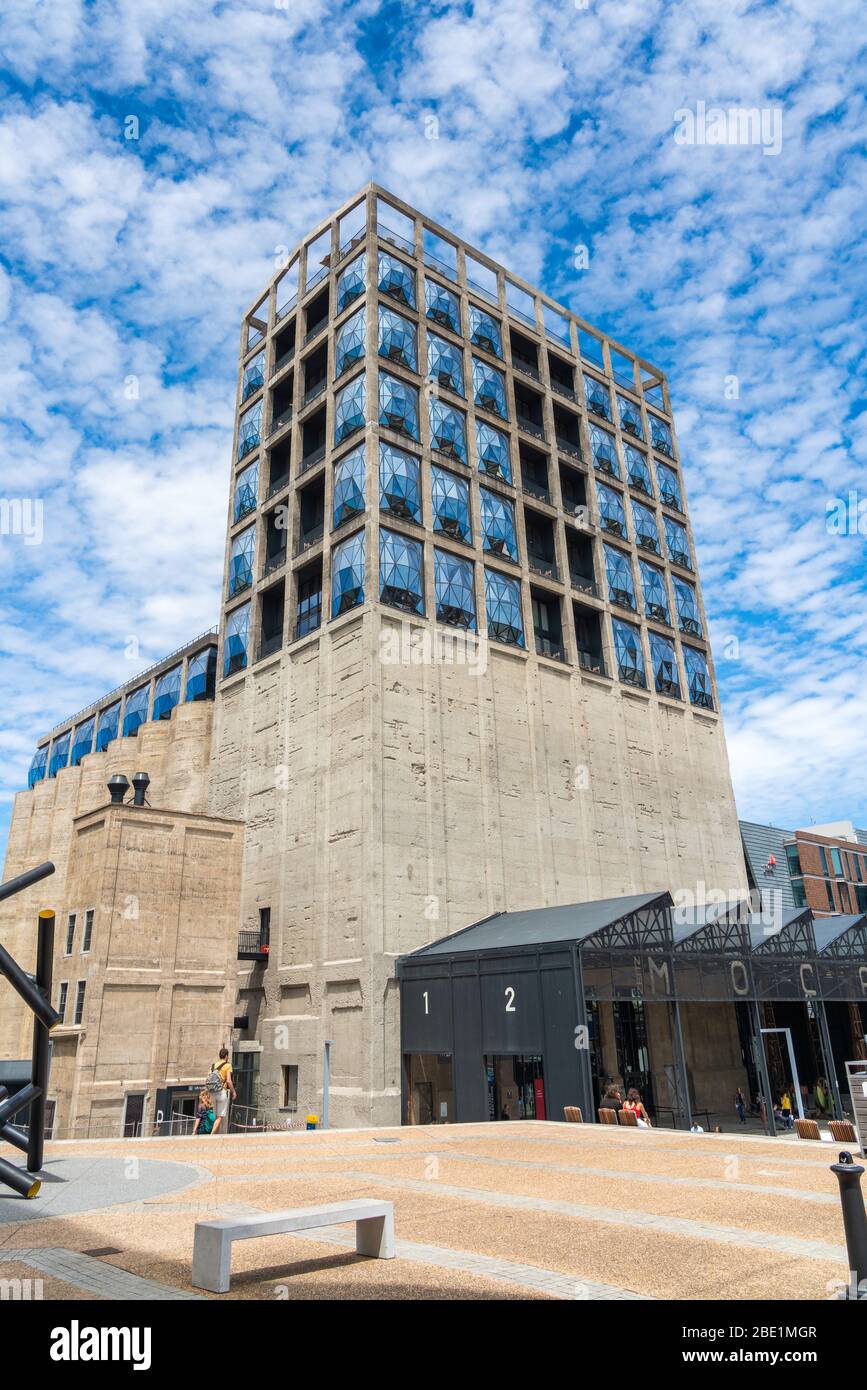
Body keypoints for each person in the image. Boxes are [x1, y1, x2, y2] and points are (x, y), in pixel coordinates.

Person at [210, 1046, 237, 1134]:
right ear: (226, 1056)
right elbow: (229, 1081)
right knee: (219, 1116)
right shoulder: (228, 1065)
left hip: (212, 1092)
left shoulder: (213, 1065)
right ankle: (211, 1135)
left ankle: (213, 1134)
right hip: (221, 1092)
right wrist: (233, 1092)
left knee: (214, 1115)